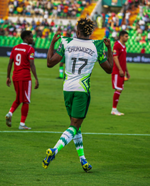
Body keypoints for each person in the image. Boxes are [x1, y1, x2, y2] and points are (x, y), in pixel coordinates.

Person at [42, 18, 113, 172]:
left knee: (75, 125)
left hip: (67, 89)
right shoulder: (97, 45)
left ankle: (83, 160)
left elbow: (49, 62)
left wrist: (52, 43)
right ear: (90, 32)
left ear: (78, 31)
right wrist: (110, 49)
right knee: (74, 125)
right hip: (82, 90)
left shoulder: (66, 42)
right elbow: (109, 69)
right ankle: (54, 150)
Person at [5, 31, 39, 129]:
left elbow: (10, 63)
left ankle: (10, 113)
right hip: (25, 78)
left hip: (15, 77)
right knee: (26, 101)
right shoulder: (30, 49)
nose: (32, 39)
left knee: (19, 98)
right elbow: (32, 64)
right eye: (31, 37)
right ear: (26, 38)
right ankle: (22, 124)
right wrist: (36, 78)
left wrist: (8, 77)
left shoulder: (15, 48)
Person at [111, 31, 130, 116]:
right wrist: (120, 70)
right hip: (117, 71)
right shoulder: (117, 45)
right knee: (118, 89)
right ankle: (114, 109)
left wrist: (127, 71)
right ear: (121, 36)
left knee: (119, 89)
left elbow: (123, 60)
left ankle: (114, 109)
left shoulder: (124, 46)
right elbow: (115, 57)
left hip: (121, 72)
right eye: (126, 36)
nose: (127, 38)